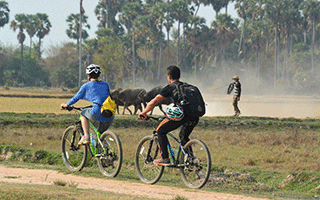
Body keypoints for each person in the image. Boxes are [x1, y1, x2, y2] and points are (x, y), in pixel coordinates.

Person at [139, 65, 200, 166]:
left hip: (181, 116)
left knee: (160, 131)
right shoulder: (187, 86)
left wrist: (143, 113)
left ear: (169, 77)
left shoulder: (170, 87)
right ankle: (191, 160)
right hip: (194, 117)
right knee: (183, 137)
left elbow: (154, 101)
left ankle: (165, 158)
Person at [61, 64, 114, 145]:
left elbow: (75, 98)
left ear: (88, 75)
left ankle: (86, 136)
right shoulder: (105, 84)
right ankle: (107, 152)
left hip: (97, 111)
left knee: (83, 114)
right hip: (109, 113)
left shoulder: (86, 85)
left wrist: (66, 105)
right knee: (100, 135)